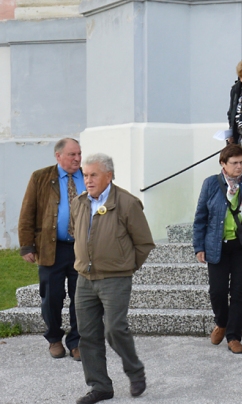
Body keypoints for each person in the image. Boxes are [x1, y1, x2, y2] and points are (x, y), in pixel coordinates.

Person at [71, 154, 155, 404]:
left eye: (93, 175)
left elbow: (144, 243)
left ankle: (134, 371)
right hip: (84, 278)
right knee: (87, 334)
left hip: (115, 279)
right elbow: (77, 232)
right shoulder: (80, 202)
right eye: (85, 175)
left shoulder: (128, 203)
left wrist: (125, 265)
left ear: (109, 175)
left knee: (115, 329)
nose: (88, 180)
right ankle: (100, 386)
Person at [18, 138, 84, 360]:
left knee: (81, 297)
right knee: (52, 297)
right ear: (58, 156)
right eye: (72, 154)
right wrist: (27, 245)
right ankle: (54, 338)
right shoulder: (41, 177)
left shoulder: (88, 176)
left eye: (79, 154)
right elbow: (28, 212)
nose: (77, 159)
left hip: (82, 249)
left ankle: (76, 342)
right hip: (50, 248)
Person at [193, 143, 242, 354]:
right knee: (218, 291)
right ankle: (221, 322)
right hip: (216, 245)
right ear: (223, 164)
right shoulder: (211, 184)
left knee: (240, 292)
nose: (239, 167)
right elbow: (201, 217)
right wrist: (199, 246)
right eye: (234, 163)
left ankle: (233, 336)